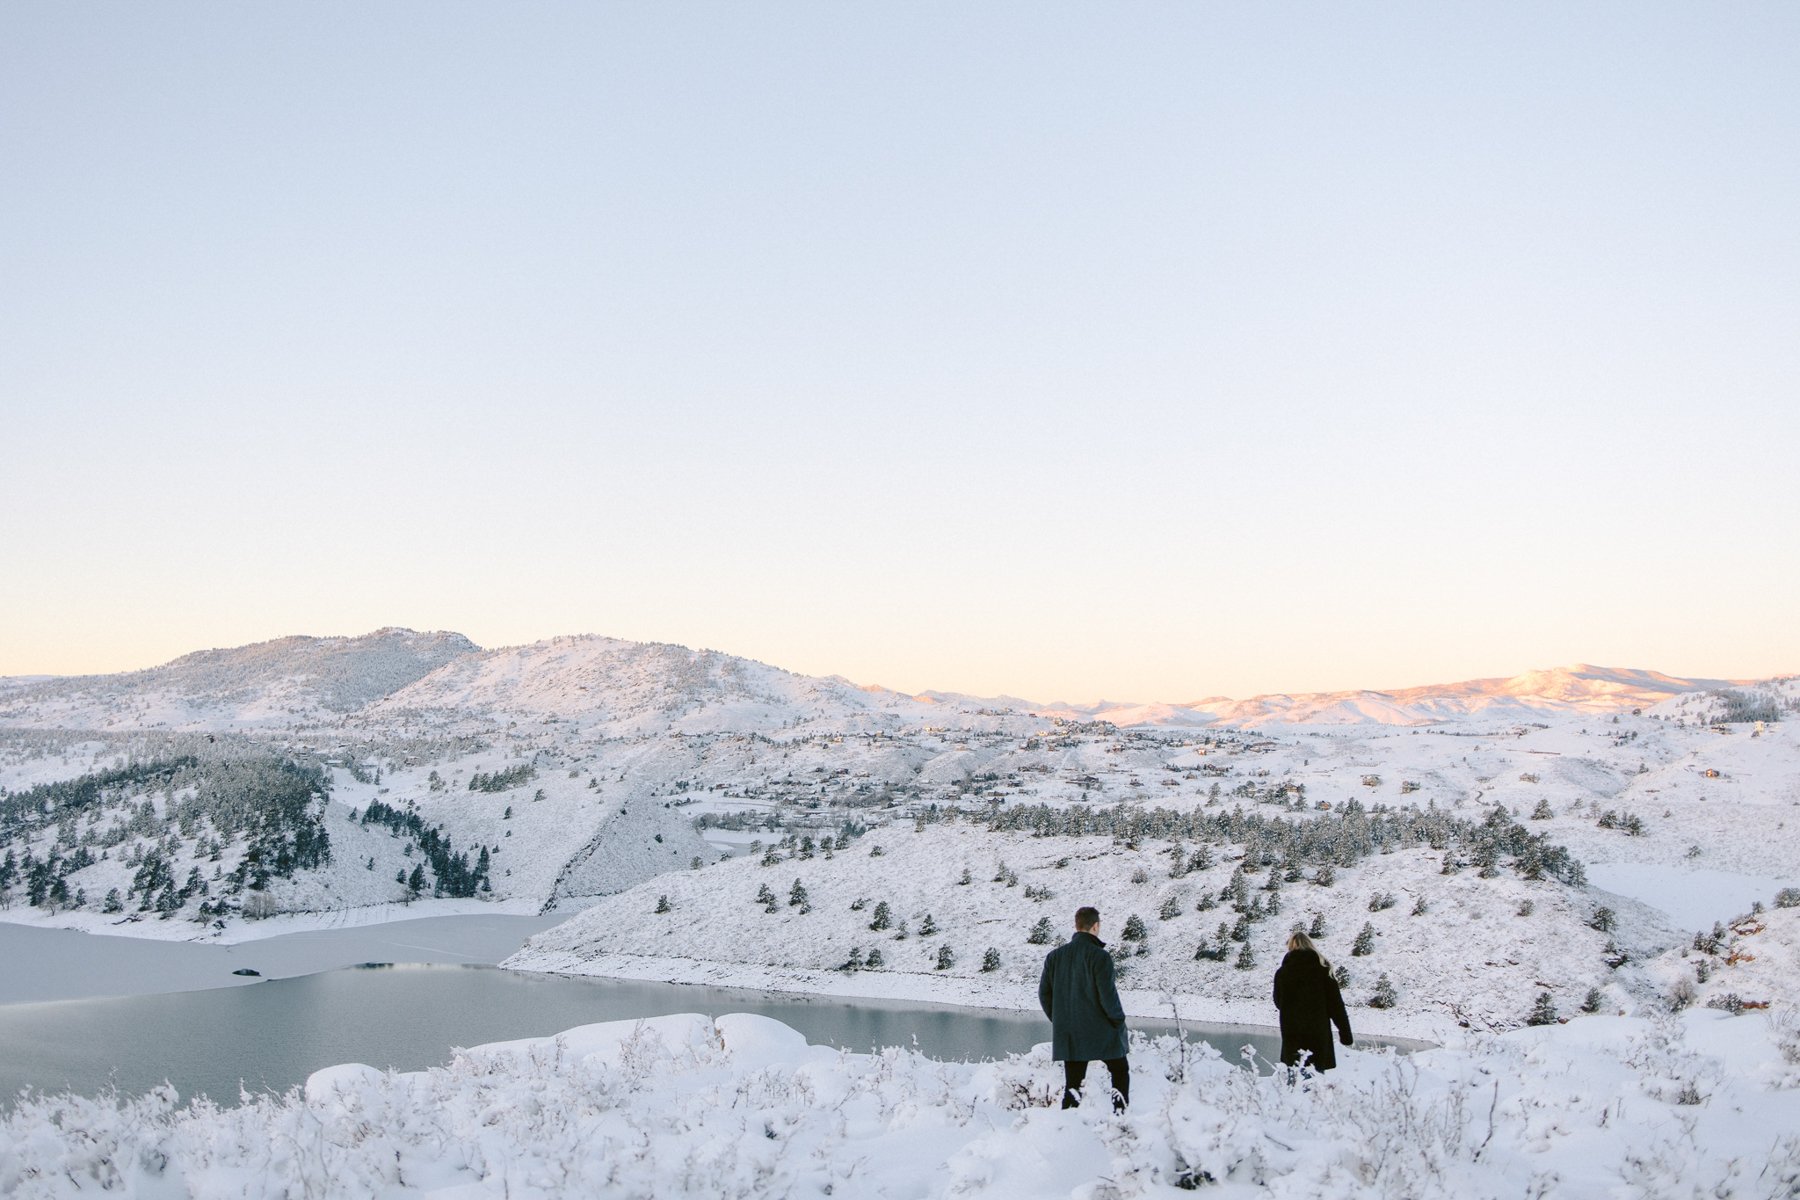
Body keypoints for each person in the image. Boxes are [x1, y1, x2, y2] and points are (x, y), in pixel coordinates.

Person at [1038, 905, 1129, 1111]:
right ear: (1095, 926)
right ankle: (1120, 1116)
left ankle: (1069, 1123)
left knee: (1073, 1083)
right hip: (1102, 1031)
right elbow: (1108, 996)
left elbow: (1044, 994)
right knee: (1120, 1069)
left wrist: (1060, 1019)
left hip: (1070, 1031)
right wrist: (1118, 1019)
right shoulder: (1099, 956)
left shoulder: (1054, 956)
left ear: (1076, 925)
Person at [1272, 931, 1353, 1073]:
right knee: (1315, 1079)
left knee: (1295, 1079)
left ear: (1290, 947)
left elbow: (1279, 1002)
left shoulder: (1282, 973)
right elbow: (1336, 1006)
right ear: (1311, 946)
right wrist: (1345, 1035)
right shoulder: (1323, 970)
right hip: (1317, 1034)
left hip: (1292, 1034)